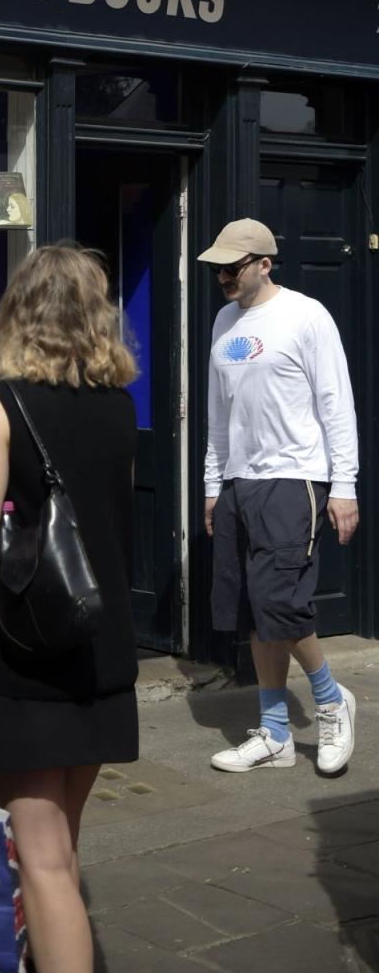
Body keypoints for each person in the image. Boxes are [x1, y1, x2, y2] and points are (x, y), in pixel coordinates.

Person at [0, 243, 139, 973]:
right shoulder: (120, 406)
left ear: (19, 315)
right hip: (101, 649)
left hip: (24, 657)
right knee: (60, 851)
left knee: (41, 863)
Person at [199, 218, 359, 775]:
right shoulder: (223, 321)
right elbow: (219, 411)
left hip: (295, 478)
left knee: (281, 604)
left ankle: (333, 699)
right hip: (241, 482)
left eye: (232, 267)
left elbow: (337, 404)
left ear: (264, 264)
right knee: (251, 610)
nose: (222, 276)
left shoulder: (306, 316)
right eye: (217, 268)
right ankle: (274, 733)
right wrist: (213, 484)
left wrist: (345, 485)